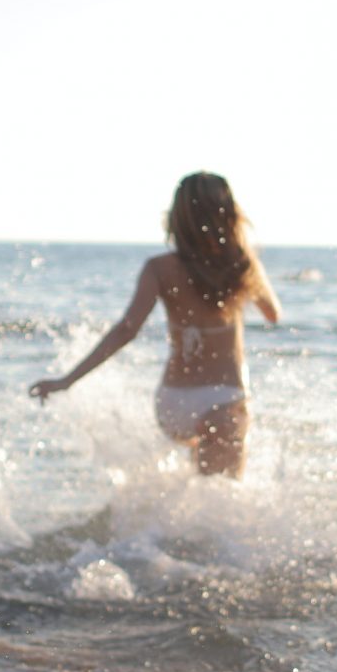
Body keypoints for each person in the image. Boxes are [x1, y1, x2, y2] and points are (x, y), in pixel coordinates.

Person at [30, 172, 282, 477]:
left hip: (174, 405)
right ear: (229, 215)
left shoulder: (159, 269)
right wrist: (245, 256)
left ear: (178, 218)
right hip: (223, 400)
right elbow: (272, 313)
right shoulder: (241, 265)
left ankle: (159, 522)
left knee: (202, 482)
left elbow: (126, 330)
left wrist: (66, 381)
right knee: (222, 493)